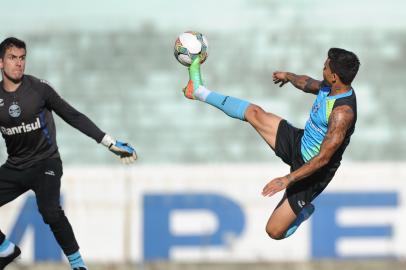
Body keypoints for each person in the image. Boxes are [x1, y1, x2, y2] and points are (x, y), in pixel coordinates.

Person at [182, 47, 359, 240]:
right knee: (255, 113)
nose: (322, 67)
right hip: (299, 142)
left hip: (312, 171)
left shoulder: (342, 113)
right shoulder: (330, 86)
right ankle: (200, 92)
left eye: (325, 66)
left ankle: (303, 213)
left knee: (274, 231)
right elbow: (307, 83)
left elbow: (324, 158)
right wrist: (288, 76)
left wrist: (287, 179)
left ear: (334, 76)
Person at [0, 37, 137, 269]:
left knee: (50, 211)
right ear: (1, 63)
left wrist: (108, 142)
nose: (19, 64)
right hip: (16, 166)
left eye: (22, 58)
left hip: (46, 163)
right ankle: (5, 249)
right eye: (13, 58)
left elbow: (73, 115)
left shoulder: (39, 89)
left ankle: (78, 265)